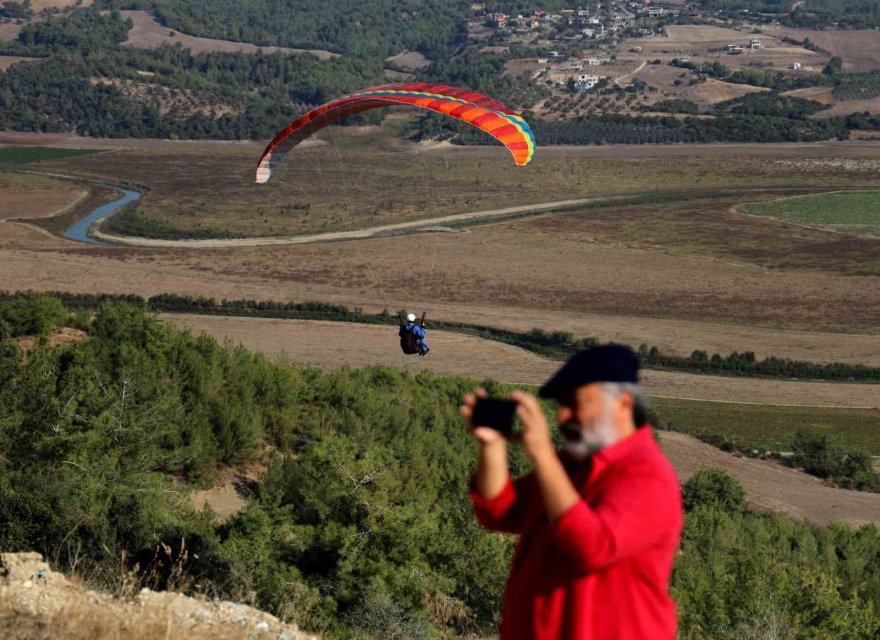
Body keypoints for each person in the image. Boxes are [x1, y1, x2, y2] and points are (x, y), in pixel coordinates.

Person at [461, 344, 682, 640]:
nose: (562, 417)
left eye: (575, 403)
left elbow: (593, 547)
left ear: (623, 404)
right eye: (560, 405)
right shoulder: (569, 467)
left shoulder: (648, 476)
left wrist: (542, 453)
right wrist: (492, 445)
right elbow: (499, 510)